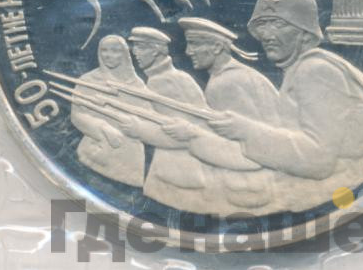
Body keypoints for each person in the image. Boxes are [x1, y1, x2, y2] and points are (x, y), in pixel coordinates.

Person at [208, 0, 363, 213]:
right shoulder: (301, 70)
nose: (266, 35)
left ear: (304, 31)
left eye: (278, 24)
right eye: (262, 25)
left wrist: (245, 130)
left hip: (341, 187)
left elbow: (317, 160)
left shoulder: (316, 71)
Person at [163, 17, 281, 216]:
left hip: (248, 191)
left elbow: (248, 150)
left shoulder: (225, 83)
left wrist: (191, 134)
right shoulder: (241, 75)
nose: (188, 51)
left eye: (194, 44)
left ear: (217, 47)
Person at [119, 27, 211, 213]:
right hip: (181, 170)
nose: (134, 53)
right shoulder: (177, 77)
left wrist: (138, 130)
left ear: (155, 50)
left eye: (140, 47)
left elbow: (184, 134)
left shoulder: (162, 82)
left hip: (177, 174)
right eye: (134, 47)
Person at [70, 34, 148, 187]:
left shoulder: (137, 84)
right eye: (104, 50)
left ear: (124, 54)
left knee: (126, 195)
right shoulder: (88, 80)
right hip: (97, 152)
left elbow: (148, 117)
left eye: (115, 50)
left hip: (130, 158)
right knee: (84, 193)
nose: (108, 55)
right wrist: (103, 127)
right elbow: (77, 115)